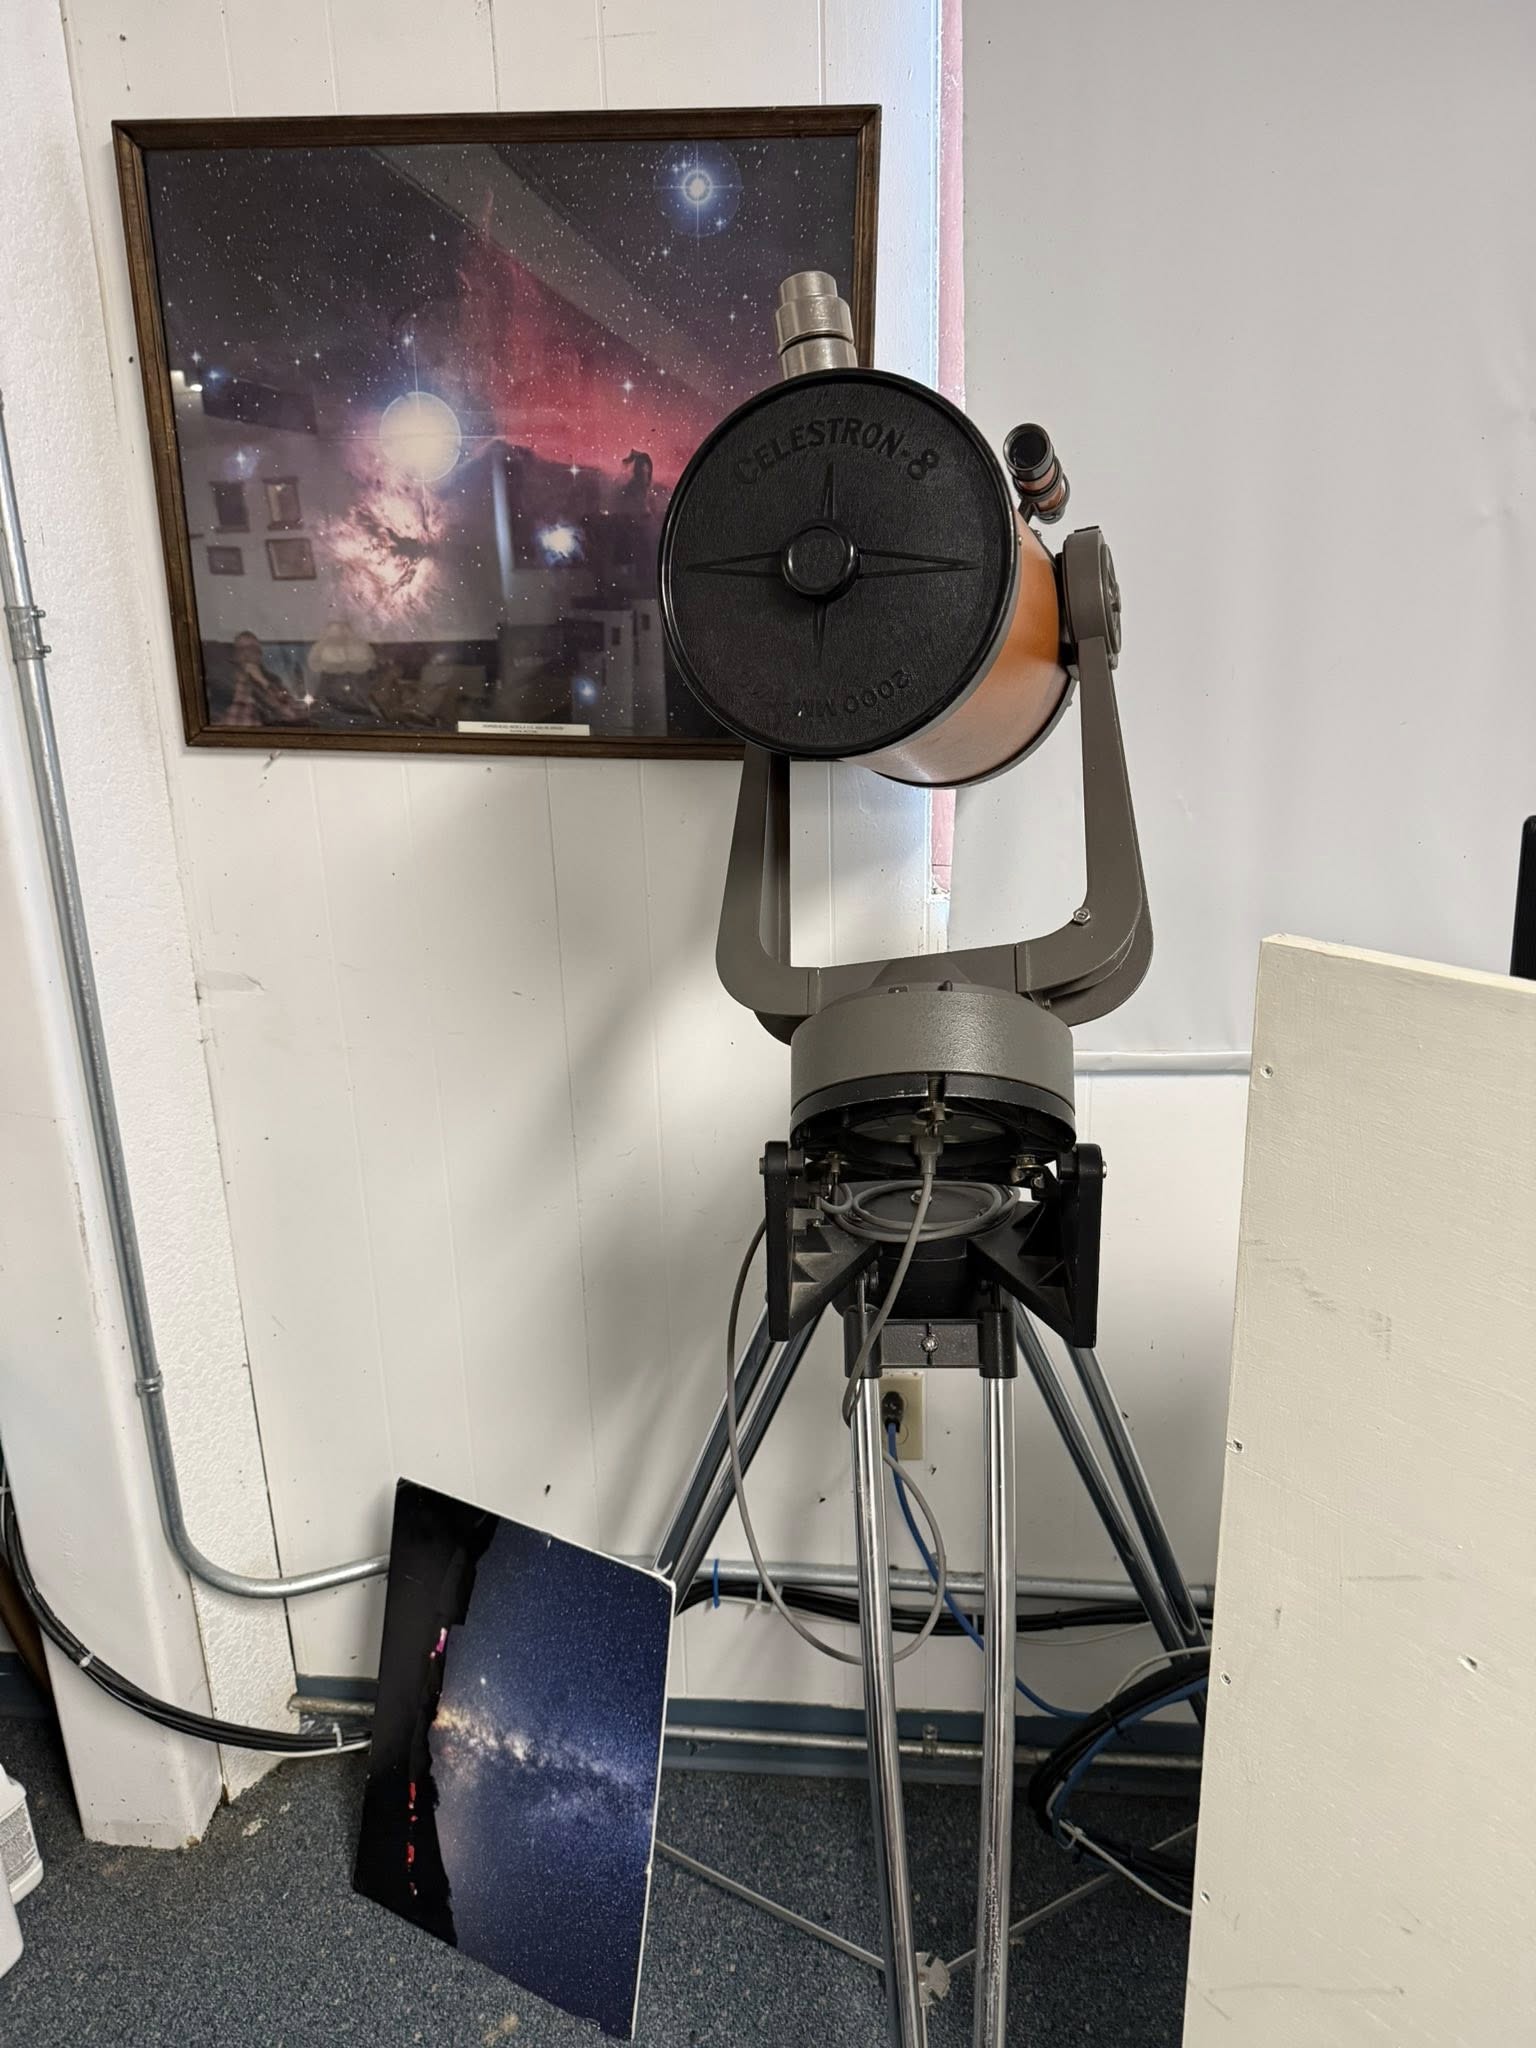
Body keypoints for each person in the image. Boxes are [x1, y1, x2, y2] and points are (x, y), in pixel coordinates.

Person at [221, 631, 307, 726]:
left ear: (259, 654)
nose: (247, 653)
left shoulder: (272, 681)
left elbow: (292, 714)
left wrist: (263, 681)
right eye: (242, 649)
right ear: (235, 655)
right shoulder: (225, 678)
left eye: (252, 649)